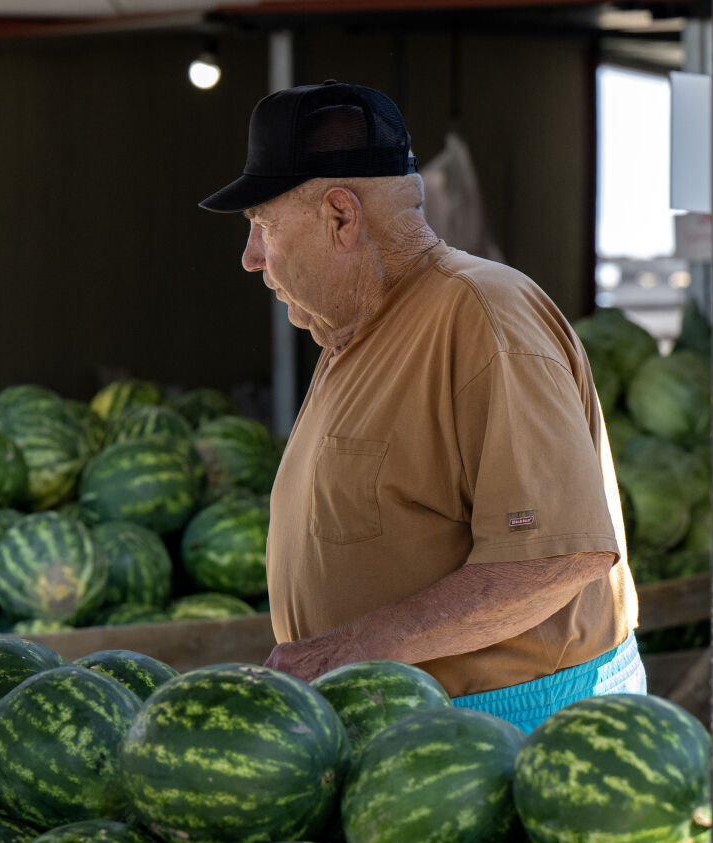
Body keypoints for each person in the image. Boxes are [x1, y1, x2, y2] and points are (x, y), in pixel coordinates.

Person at [200, 81, 643, 732]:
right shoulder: (354, 329)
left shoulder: (482, 315)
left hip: (511, 734)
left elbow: (555, 558)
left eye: (262, 226)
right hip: (418, 731)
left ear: (341, 217)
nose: (250, 259)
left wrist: (351, 649)